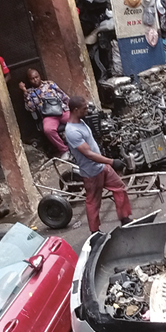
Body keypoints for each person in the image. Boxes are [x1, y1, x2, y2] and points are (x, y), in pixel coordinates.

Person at [64, 95, 132, 232]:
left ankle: (125, 219)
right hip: (91, 172)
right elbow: (88, 154)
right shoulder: (72, 131)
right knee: (93, 202)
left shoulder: (81, 121)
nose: (87, 111)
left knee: (119, 187)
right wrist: (112, 161)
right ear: (76, 110)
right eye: (84, 109)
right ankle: (95, 232)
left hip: (102, 166)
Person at [19, 69, 70, 157]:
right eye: (32, 79)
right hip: (48, 116)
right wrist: (24, 92)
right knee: (48, 130)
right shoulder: (30, 92)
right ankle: (64, 150)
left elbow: (63, 95)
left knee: (76, 118)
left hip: (62, 110)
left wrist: (70, 106)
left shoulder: (49, 84)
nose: (35, 80)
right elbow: (30, 108)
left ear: (40, 76)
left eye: (36, 77)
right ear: (29, 80)